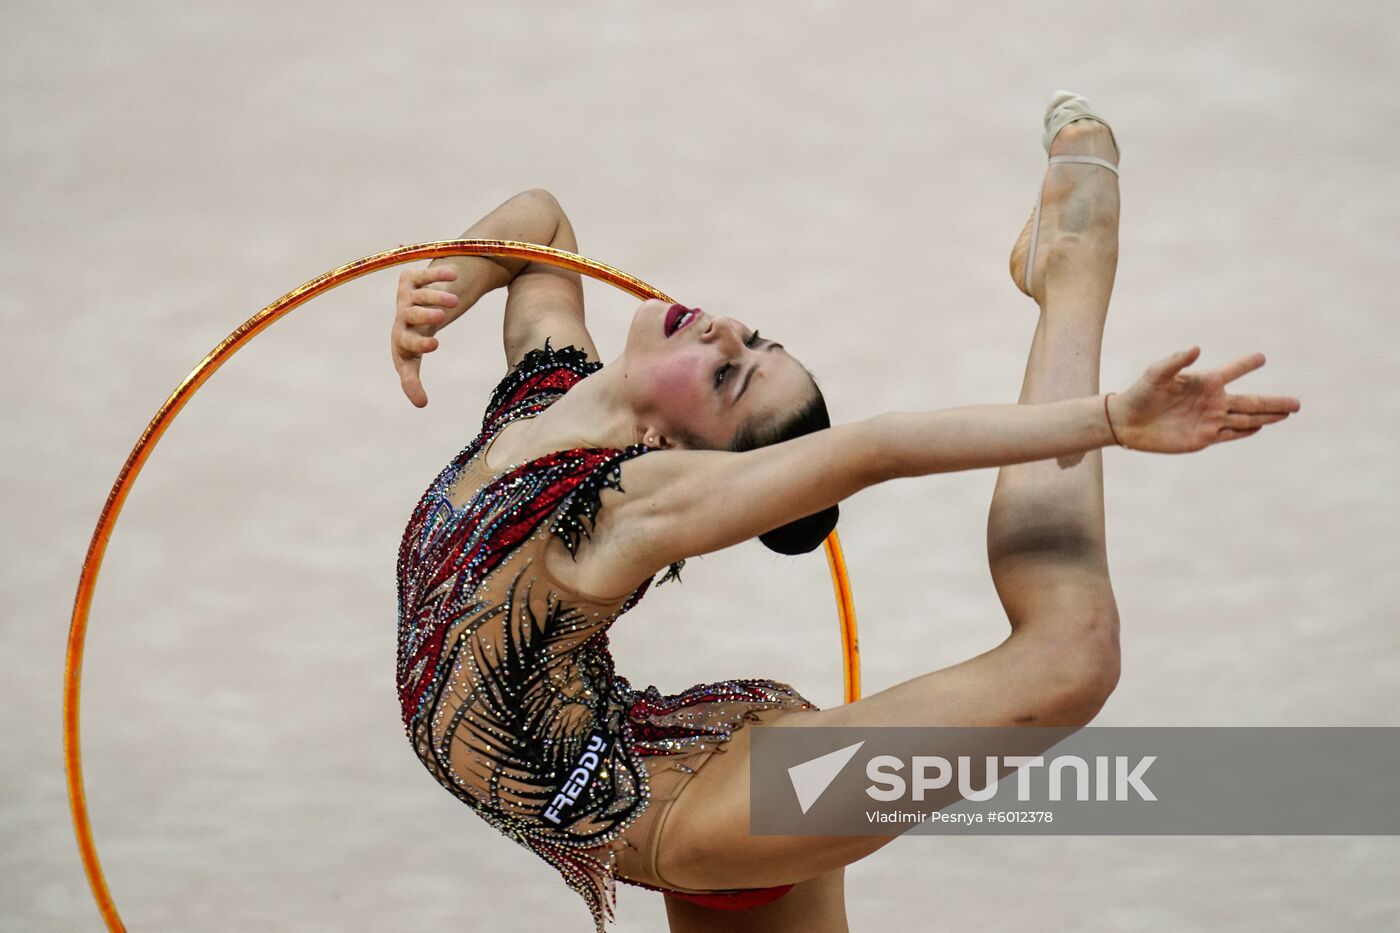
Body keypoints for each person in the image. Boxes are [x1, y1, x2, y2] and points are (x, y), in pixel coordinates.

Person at [389, 93, 1299, 933]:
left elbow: (880, 447)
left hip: (704, 818)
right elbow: (541, 227)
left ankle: (1071, 276)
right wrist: (453, 278)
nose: (723, 333)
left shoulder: (626, 506)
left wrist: (1110, 420)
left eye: (729, 376)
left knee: (1073, 653)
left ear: (678, 456)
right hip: (676, 758)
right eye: (753, 341)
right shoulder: (544, 390)